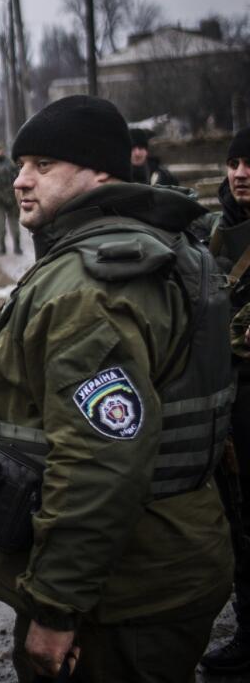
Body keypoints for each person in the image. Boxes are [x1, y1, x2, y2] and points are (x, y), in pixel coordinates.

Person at [0, 96, 233, 682]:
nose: (21, 180)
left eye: (43, 165)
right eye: (22, 164)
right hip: (147, 573)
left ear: (100, 172)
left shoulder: (91, 290)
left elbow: (101, 464)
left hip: (122, 599)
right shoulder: (140, 247)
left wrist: (55, 606)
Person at [200, 127, 250, 676]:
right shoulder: (213, 231)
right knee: (237, 518)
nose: (241, 172)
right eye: (234, 162)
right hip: (229, 400)